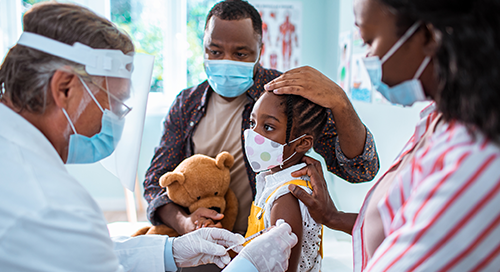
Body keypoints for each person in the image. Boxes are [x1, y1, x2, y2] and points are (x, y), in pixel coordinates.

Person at [0, 3, 297, 272]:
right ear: (64, 88)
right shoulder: (53, 205)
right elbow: (84, 250)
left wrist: (171, 251)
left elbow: (87, 254)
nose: (116, 116)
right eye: (113, 102)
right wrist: (247, 267)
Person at [265, 0, 500, 271]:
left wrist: (341, 103)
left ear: (427, 34)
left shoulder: (474, 160)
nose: (366, 58)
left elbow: (363, 169)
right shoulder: (434, 119)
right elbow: (403, 221)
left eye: (369, 41)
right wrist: (333, 217)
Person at [144, 0, 379, 257]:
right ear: (203, 49)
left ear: (260, 50)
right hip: (204, 247)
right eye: (214, 51)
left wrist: (340, 103)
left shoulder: (285, 96)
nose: (226, 61)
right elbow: (156, 180)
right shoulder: (186, 104)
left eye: (241, 54)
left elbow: (360, 169)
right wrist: (185, 223)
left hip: (261, 248)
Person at [244, 90, 328, 272]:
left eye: (268, 127)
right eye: (253, 123)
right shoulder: (271, 180)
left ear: (302, 143)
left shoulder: (285, 198)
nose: (253, 133)